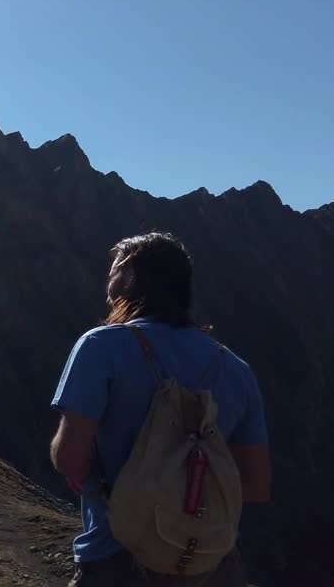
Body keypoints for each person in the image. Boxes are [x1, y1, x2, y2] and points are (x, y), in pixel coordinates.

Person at [49, 233, 271, 586]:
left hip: (119, 559)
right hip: (210, 561)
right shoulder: (236, 370)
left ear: (131, 277)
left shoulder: (100, 345)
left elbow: (69, 460)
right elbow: (256, 486)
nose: (107, 287)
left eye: (113, 273)